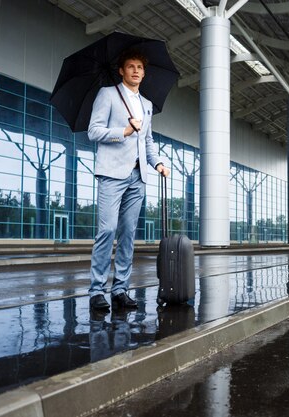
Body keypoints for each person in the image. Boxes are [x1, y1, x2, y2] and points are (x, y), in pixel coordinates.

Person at [88, 48, 171, 311]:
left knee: (127, 234)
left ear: (144, 73)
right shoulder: (108, 94)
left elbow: (147, 141)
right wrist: (123, 131)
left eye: (140, 67)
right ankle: (96, 291)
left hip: (138, 176)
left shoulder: (146, 105)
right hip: (112, 174)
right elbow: (94, 131)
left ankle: (120, 289)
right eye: (131, 66)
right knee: (107, 230)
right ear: (122, 70)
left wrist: (157, 162)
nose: (136, 71)